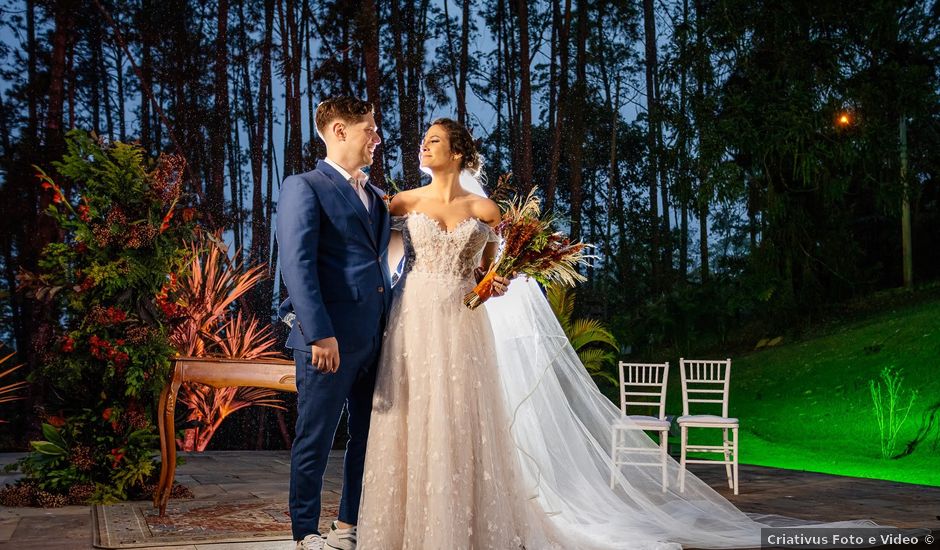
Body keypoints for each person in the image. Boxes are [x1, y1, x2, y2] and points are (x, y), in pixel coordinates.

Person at [355, 118, 874, 549]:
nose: (424, 143)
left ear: (459, 151)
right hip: (417, 317)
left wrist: (497, 282)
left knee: (461, 416)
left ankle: (460, 527)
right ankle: (409, 528)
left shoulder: (485, 211)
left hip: (464, 322)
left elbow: (493, 273)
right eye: (424, 138)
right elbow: (374, 254)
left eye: (436, 138)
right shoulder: (402, 203)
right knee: (416, 413)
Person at [276, 96, 391, 550]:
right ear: (340, 131)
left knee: (367, 437)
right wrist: (319, 333)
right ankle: (304, 533)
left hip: (376, 340)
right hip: (327, 341)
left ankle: (347, 526)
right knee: (315, 439)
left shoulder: (378, 196)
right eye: (370, 130)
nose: (377, 139)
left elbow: (387, 264)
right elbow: (297, 264)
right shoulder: (304, 186)